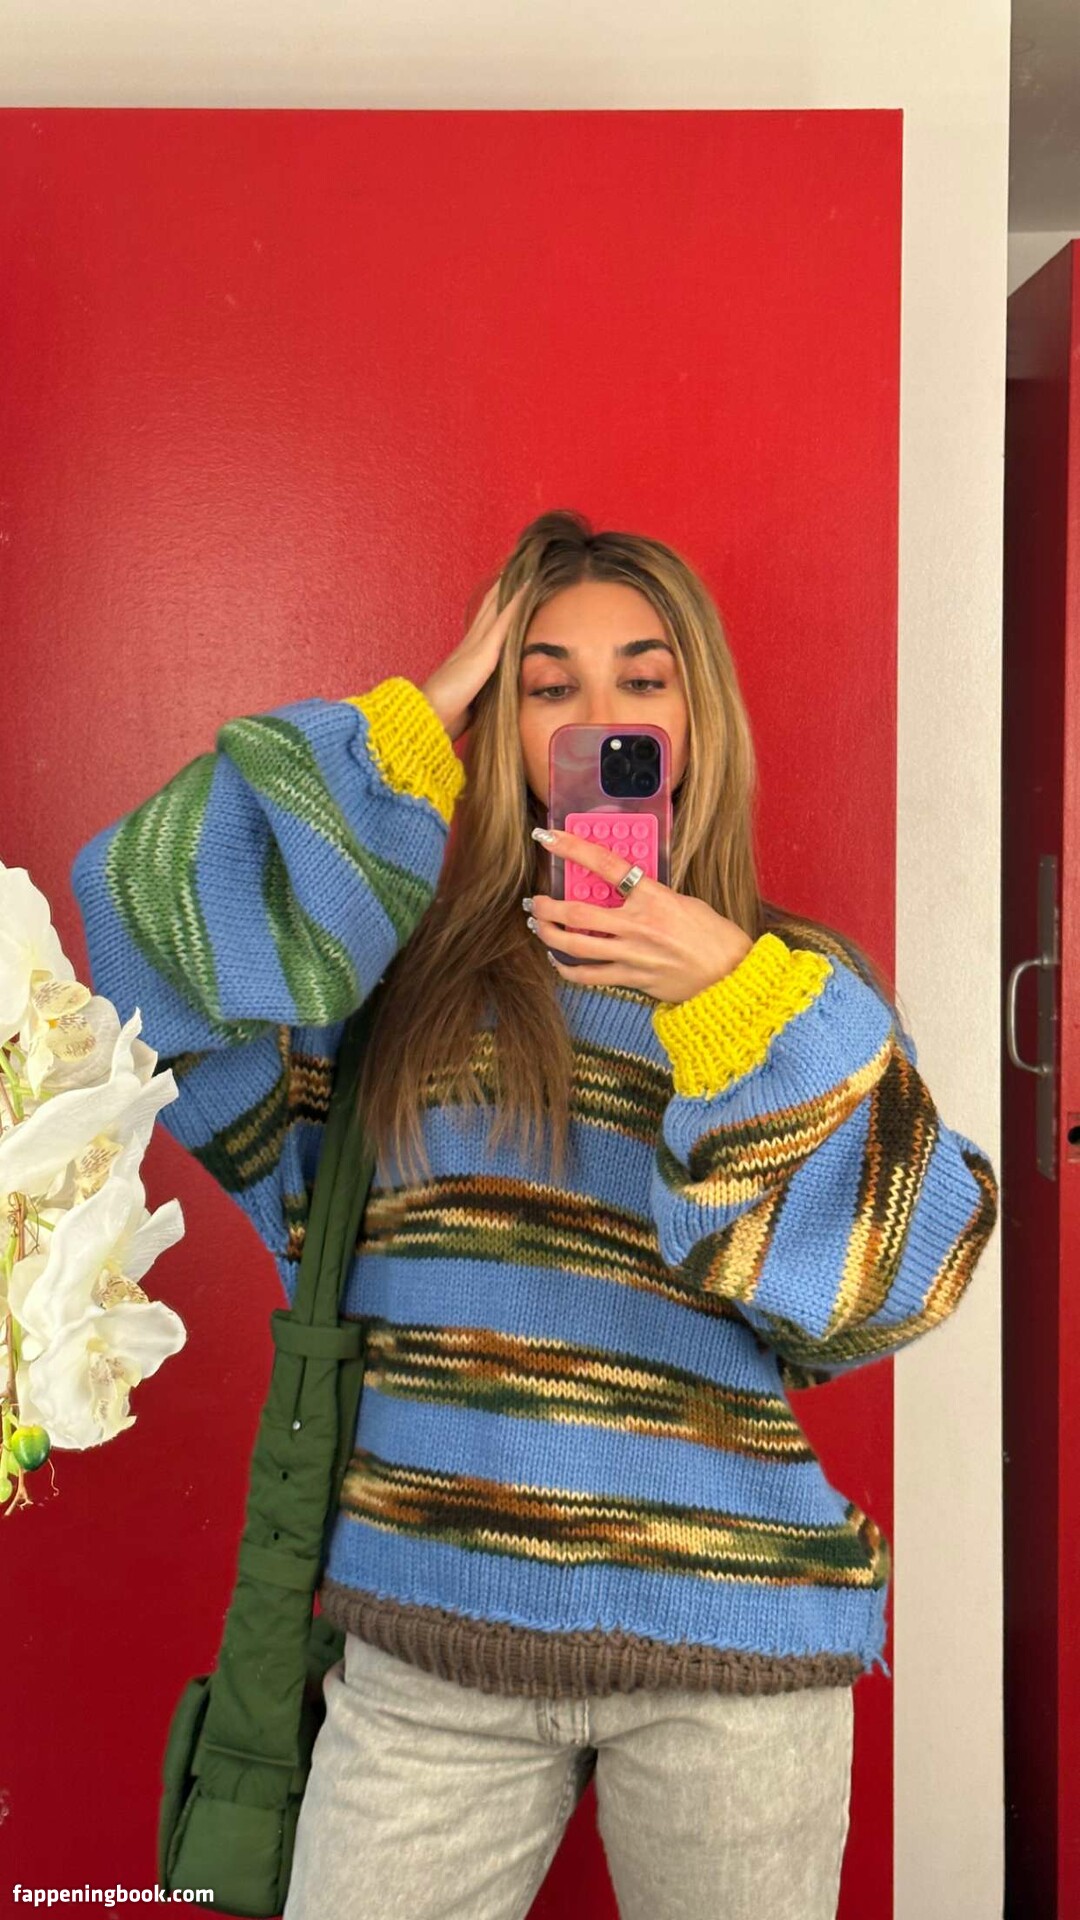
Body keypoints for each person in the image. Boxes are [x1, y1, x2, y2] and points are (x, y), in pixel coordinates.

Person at [70, 509, 999, 1920]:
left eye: (643, 678)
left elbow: (894, 1280)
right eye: (546, 685)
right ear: (505, 726)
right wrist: (420, 714)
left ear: (698, 716)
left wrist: (732, 998)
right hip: (426, 1649)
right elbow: (145, 923)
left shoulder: (790, 984)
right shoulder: (390, 991)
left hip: (730, 1653)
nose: (598, 716)